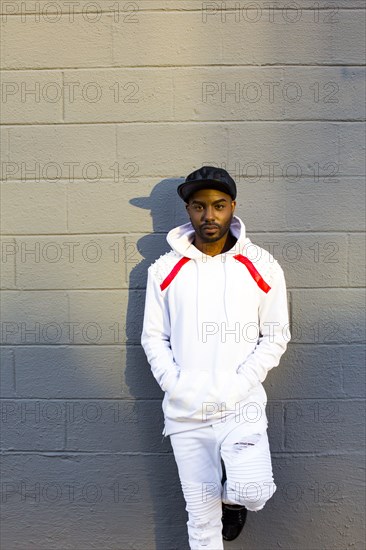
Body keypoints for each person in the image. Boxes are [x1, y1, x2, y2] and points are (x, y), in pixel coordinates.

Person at [141, 166, 291, 550]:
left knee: (253, 490)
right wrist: (177, 386)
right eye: (199, 207)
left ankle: (233, 500)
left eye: (219, 206)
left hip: (242, 407)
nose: (209, 216)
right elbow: (153, 338)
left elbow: (276, 335)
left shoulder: (261, 264)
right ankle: (215, 505)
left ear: (233, 208)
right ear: (188, 210)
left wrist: (238, 386)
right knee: (202, 521)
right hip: (186, 412)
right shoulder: (164, 270)